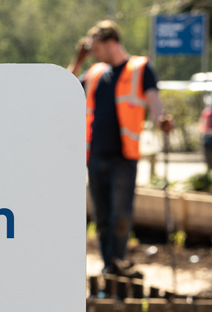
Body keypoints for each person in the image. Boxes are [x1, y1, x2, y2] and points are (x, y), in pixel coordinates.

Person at [68, 20, 173, 276]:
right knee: (102, 219)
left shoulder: (140, 68)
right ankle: (109, 266)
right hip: (95, 156)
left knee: (121, 216)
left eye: (95, 48)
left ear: (110, 42)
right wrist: (78, 60)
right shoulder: (94, 73)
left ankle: (118, 261)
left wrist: (162, 119)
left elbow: (154, 100)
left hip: (124, 157)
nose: (93, 53)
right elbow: (63, 89)